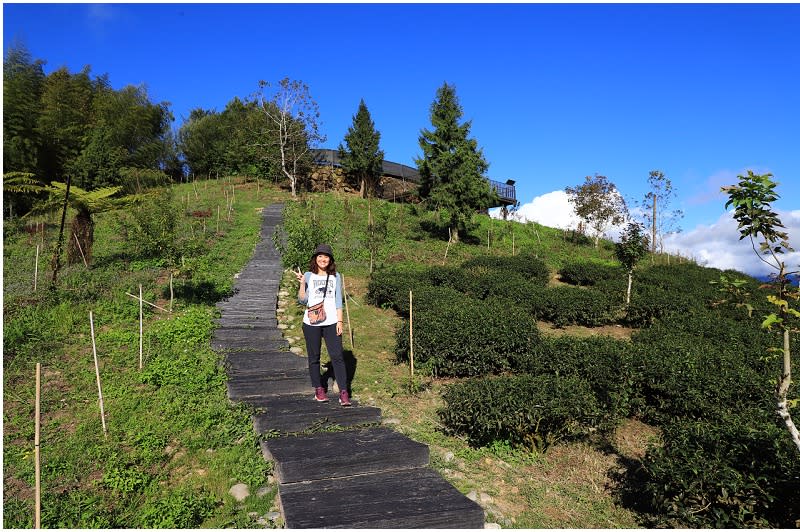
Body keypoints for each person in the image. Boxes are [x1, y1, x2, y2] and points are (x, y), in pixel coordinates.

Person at [294, 243, 351, 406]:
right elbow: (302, 300)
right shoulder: (308, 275)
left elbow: (338, 301)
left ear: (330, 259)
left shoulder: (336, 276)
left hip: (332, 321)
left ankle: (343, 392)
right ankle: (319, 389)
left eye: (326, 256)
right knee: (314, 357)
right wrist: (301, 283)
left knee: (337, 357)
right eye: (320, 256)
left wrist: (340, 321)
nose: (323, 259)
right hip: (311, 322)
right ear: (315, 258)